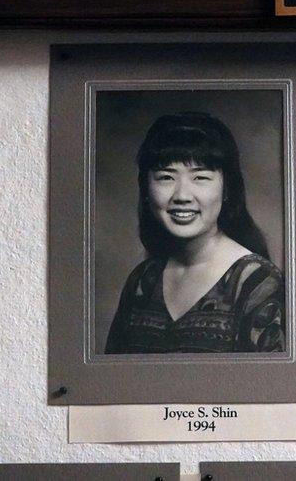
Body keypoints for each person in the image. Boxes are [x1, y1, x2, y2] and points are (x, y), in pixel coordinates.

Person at [105, 113, 285, 354]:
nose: (182, 195)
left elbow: (272, 388)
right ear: (146, 189)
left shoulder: (256, 282)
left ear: (227, 188)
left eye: (200, 177)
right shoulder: (142, 282)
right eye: (166, 177)